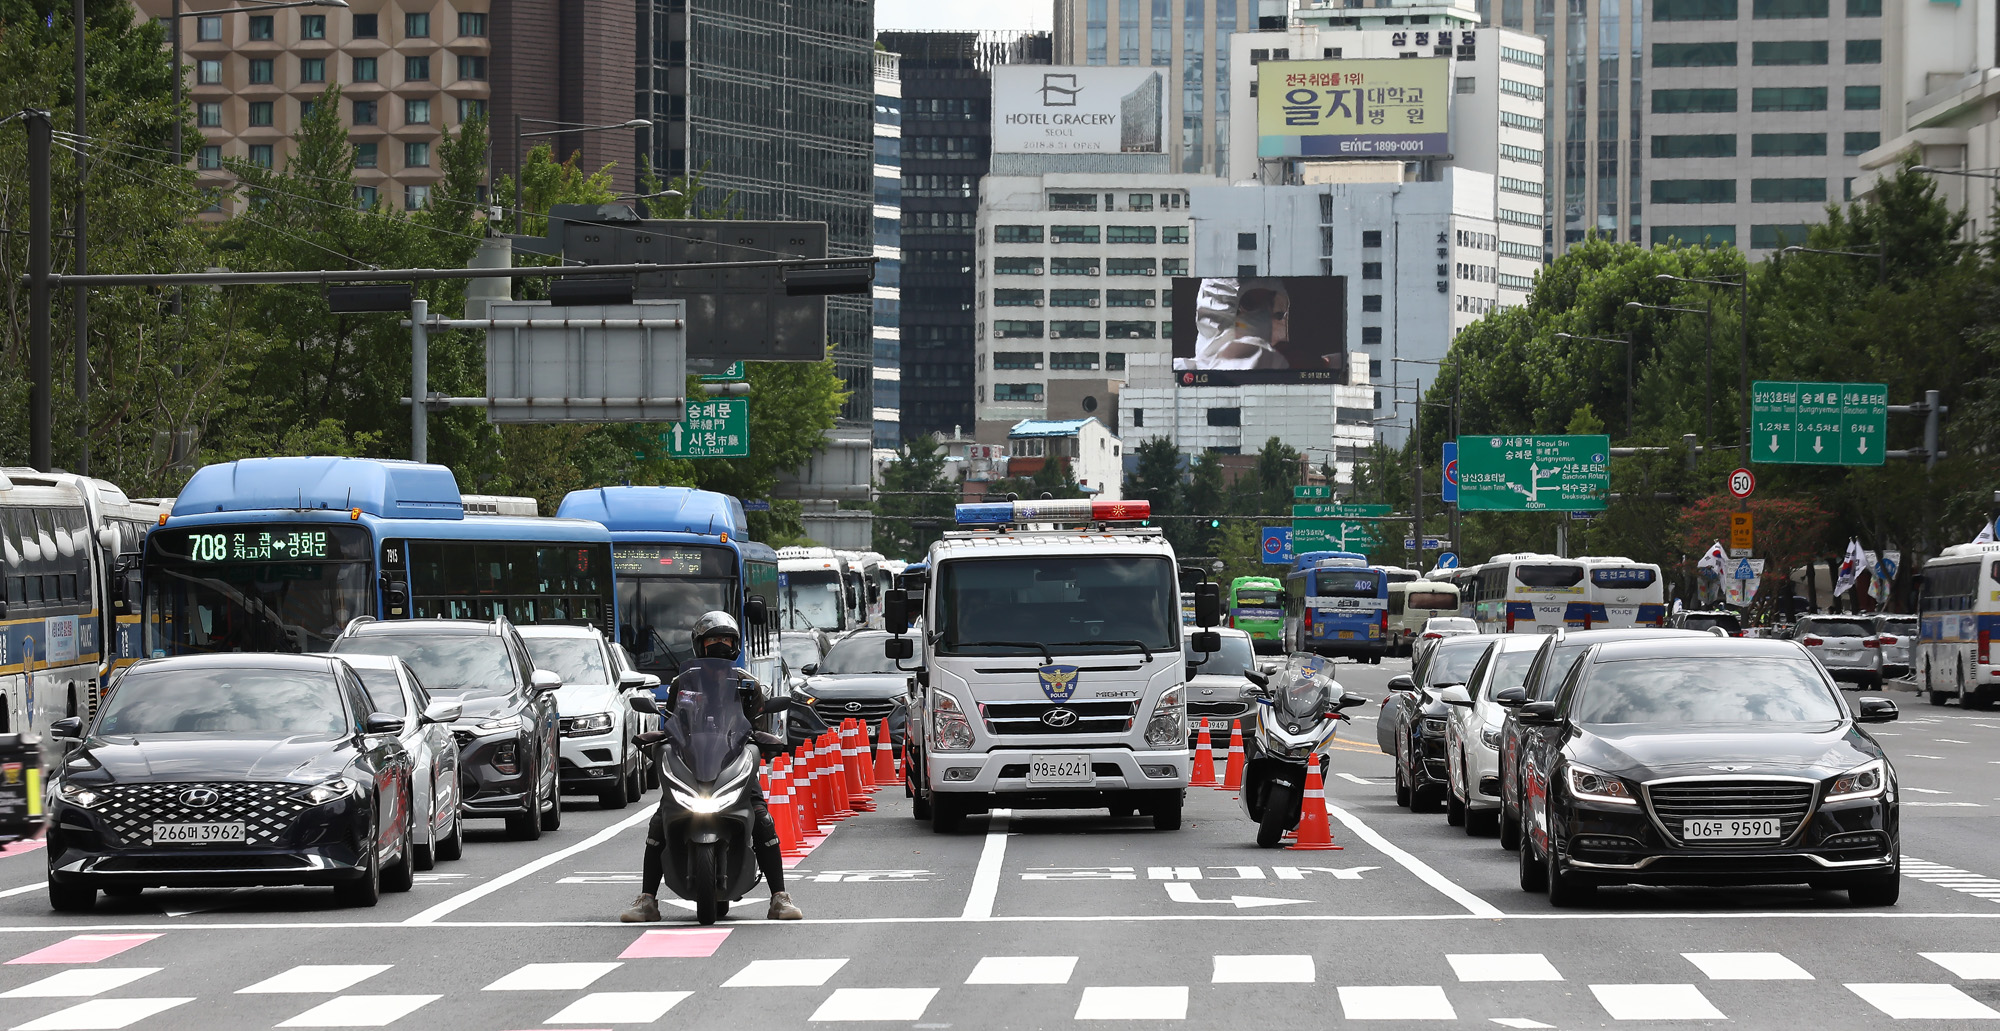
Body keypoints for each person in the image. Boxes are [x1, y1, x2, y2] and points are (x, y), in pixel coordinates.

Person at [621, 611, 803, 922]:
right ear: (699, 645)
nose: (720, 644)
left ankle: (779, 898)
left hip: (732, 763)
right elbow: (671, 723)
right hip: (692, 763)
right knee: (660, 818)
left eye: (726, 639)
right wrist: (658, 736)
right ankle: (647, 900)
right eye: (713, 639)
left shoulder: (748, 684)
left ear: (735, 645)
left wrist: (765, 741)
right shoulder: (682, 683)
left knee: (761, 818)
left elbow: (756, 726)